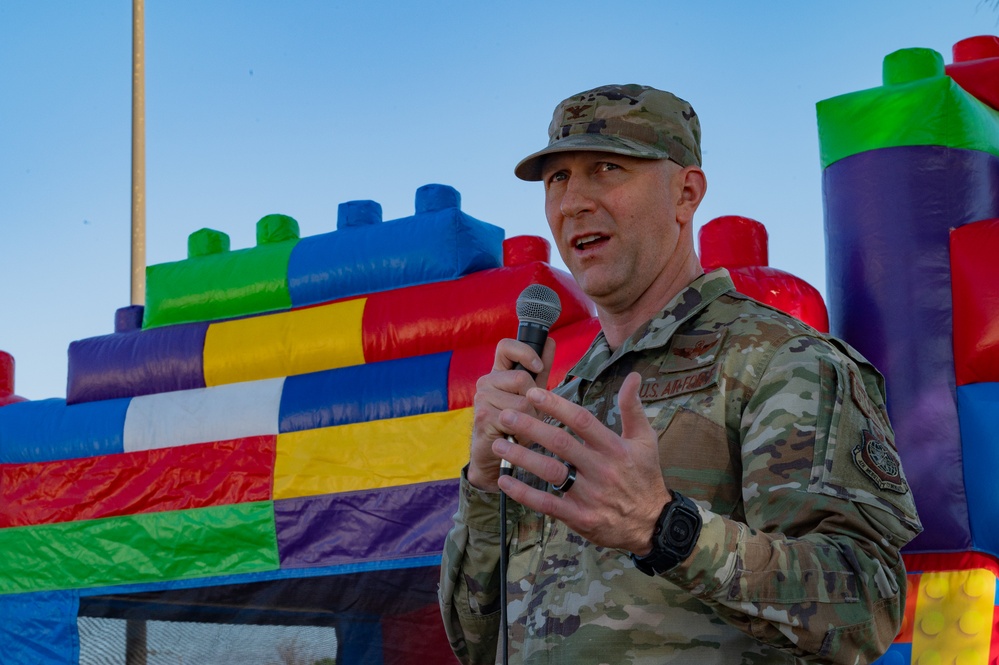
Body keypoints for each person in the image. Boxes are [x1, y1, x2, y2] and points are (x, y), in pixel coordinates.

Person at [438, 84, 921, 664]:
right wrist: (485, 481)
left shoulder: (781, 362)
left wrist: (664, 529)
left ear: (685, 194)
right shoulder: (559, 402)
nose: (572, 203)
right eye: (557, 179)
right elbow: (477, 642)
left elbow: (866, 608)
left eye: (606, 168)